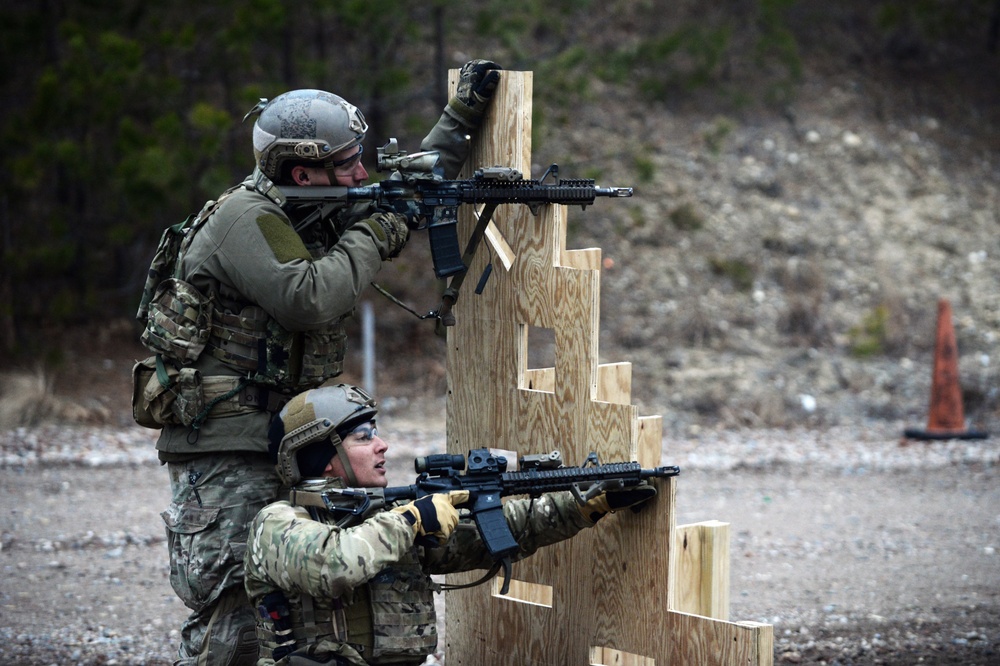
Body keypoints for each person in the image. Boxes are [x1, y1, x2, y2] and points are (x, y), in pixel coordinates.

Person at [134, 60, 503, 665]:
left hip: (287, 436)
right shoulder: (245, 219)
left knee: (302, 608)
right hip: (227, 446)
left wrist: (459, 117)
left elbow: (406, 188)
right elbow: (311, 296)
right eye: (347, 164)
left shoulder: (310, 205)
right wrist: (377, 229)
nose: (361, 173)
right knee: (235, 616)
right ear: (302, 171)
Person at [244, 384, 656, 665]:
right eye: (364, 436)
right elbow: (334, 565)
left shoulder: (385, 521)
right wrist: (413, 517)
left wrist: (586, 504)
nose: (382, 445)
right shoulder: (277, 524)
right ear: (324, 456)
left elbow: (493, 532)